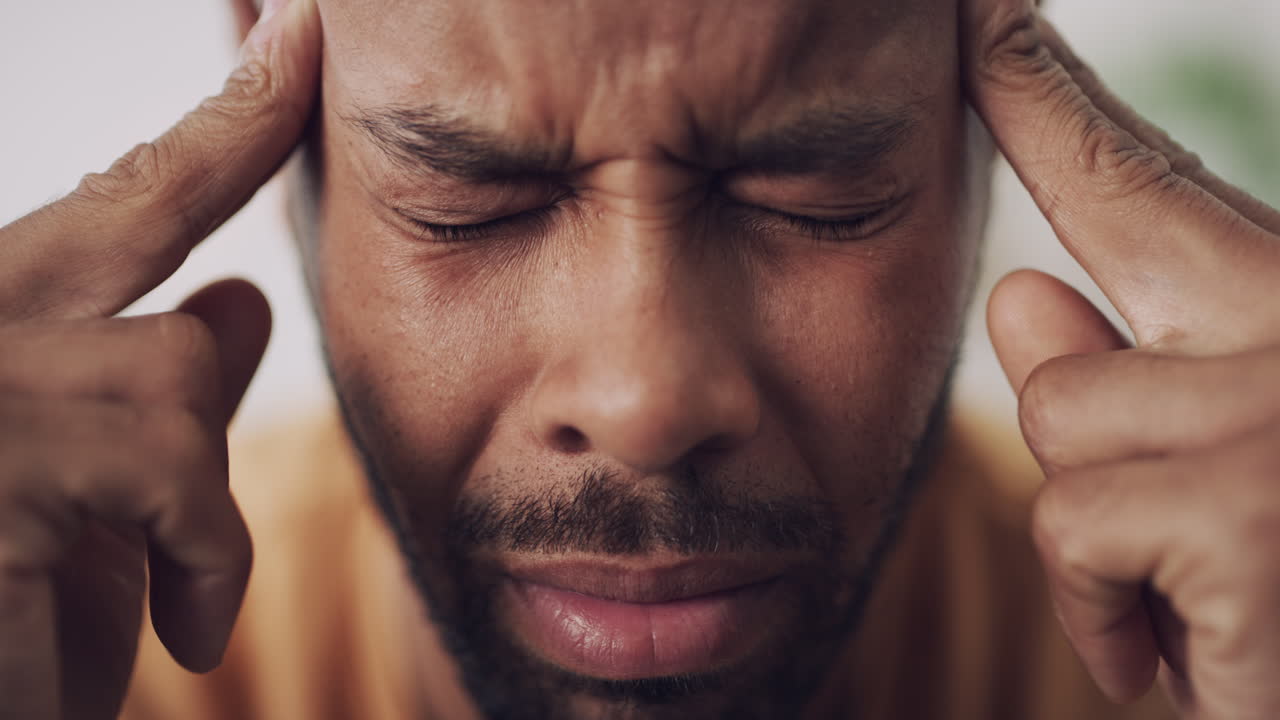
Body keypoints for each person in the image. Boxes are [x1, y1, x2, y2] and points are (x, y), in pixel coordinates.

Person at [1, 0, 1278, 717]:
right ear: (277, 72)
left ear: (986, 110)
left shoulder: (1195, 672)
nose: (645, 398)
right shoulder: (79, 668)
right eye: (469, 199)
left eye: (811, 194)